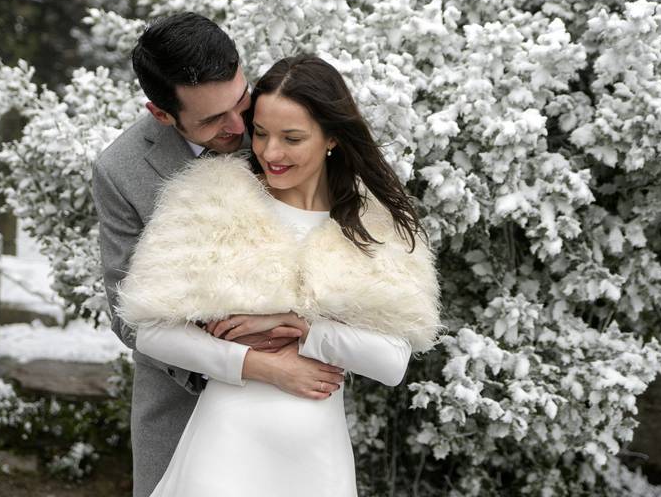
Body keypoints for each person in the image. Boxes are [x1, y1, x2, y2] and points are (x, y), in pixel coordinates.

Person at [119, 54, 442, 496]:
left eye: (292, 138)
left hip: (317, 460)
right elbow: (153, 332)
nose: (271, 153)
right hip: (224, 447)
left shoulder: (377, 226)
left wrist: (302, 328)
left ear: (331, 137)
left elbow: (391, 362)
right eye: (262, 133)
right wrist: (259, 366)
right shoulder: (213, 202)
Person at [91, 15, 345, 497]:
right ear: (161, 113)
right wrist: (245, 361)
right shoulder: (119, 170)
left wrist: (303, 329)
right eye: (211, 119)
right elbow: (129, 316)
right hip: (180, 401)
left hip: (295, 401)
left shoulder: (284, 119)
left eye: (238, 100)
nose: (238, 127)